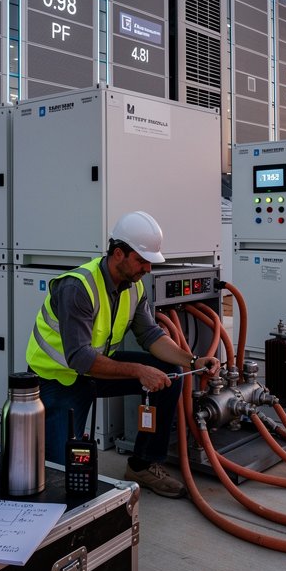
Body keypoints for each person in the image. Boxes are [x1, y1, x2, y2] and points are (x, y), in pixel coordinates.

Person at [26, 210, 220, 498]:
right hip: (57, 381)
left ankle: (142, 464)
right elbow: (79, 358)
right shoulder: (78, 287)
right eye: (142, 261)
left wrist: (192, 360)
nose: (148, 269)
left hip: (95, 368)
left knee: (170, 375)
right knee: (58, 477)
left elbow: (150, 335)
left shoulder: (134, 286)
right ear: (119, 254)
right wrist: (139, 371)